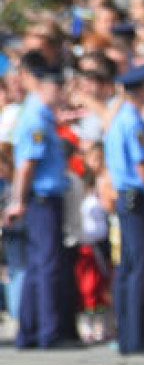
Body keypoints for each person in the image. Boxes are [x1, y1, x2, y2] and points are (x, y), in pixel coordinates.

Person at [3, 53, 68, 349]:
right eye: (59, 87)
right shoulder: (36, 115)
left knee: (36, 266)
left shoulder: (38, 113)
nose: (62, 93)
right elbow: (27, 164)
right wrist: (18, 200)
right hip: (42, 198)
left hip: (40, 197)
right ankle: (46, 332)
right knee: (46, 265)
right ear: (46, 86)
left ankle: (29, 331)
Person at [105, 63, 144, 354]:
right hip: (136, 198)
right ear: (139, 90)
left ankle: (129, 336)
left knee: (129, 269)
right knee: (140, 269)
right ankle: (139, 338)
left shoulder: (117, 120)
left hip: (123, 197)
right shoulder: (133, 122)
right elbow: (142, 168)